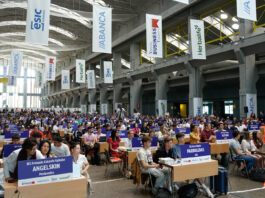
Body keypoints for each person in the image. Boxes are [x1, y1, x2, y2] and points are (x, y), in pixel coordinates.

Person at [172, 133, 214, 197]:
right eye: (182, 138)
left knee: (196, 173)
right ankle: (204, 188)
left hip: (188, 163)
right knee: (195, 173)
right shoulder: (175, 147)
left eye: (184, 137)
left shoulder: (186, 146)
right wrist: (180, 159)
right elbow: (175, 158)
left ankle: (205, 188)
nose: (184, 139)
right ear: (178, 139)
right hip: (181, 165)